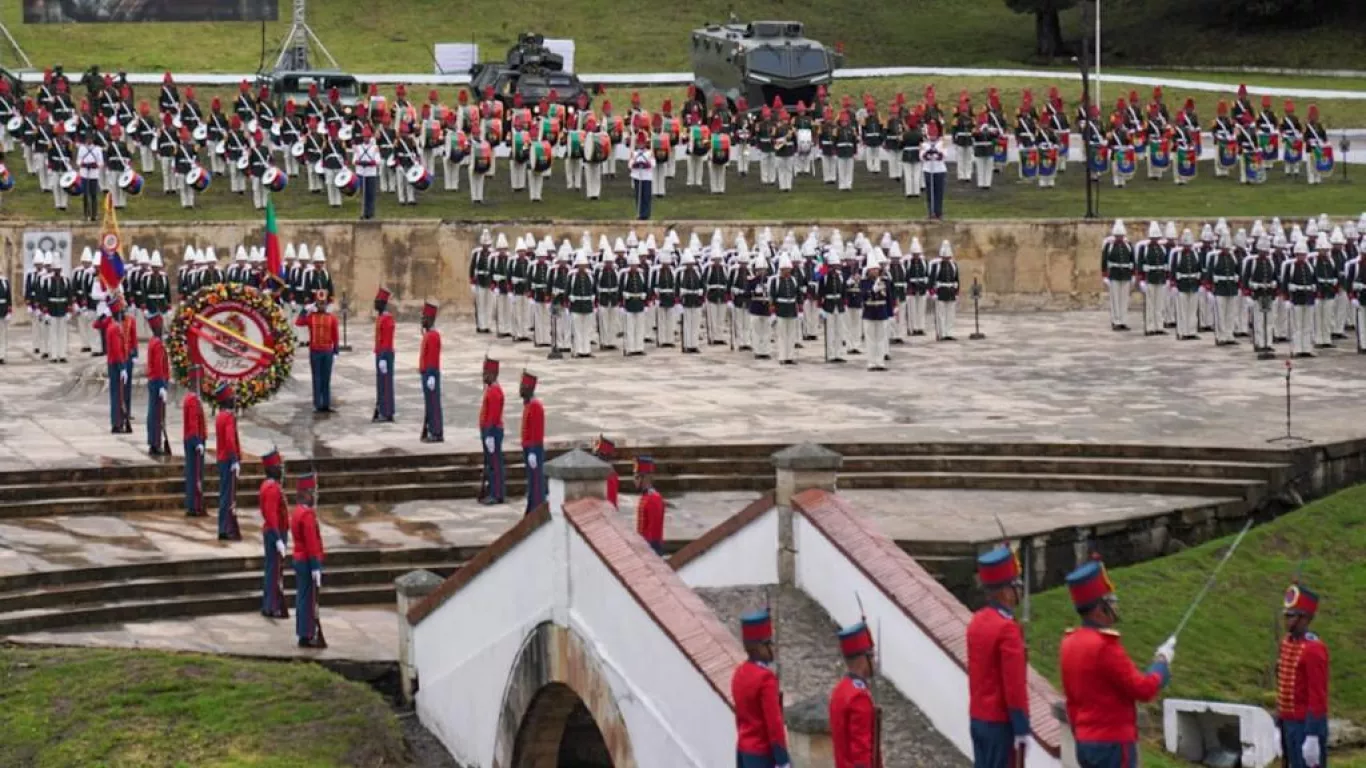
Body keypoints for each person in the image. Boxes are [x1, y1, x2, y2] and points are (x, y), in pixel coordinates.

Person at [1060, 556, 1173, 768]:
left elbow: (1071, 700)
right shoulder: (1105, 646)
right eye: (1110, 602)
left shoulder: (1069, 642)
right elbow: (1143, 689)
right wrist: (1161, 665)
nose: (1115, 606)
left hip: (1085, 743)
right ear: (1098, 610)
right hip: (1112, 745)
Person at [967, 545, 1030, 768]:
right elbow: (1014, 686)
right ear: (1005, 591)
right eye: (1016, 586)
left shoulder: (977, 621)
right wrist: (1022, 727)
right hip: (1001, 724)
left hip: (978, 718)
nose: (1019, 592)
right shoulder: (1007, 629)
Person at [1278, 582, 1330, 768]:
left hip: (1304, 725)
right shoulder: (1287, 643)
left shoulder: (1314, 649)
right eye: (1286, 615)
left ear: (1304, 618)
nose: (1286, 620)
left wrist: (1313, 734)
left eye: (1291, 616)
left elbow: (1317, 696)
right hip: (1288, 723)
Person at [732, 608, 792, 768]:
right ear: (757, 647)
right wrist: (783, 760)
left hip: (744, 751)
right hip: (763, 756)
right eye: (767, 643)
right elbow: (774, 724)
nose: (771, 648)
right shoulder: (766, 678)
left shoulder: (739, 673)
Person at [830, 620, 880, 768]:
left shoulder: (840, 689)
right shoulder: (860, 697)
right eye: (871, 655)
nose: (874, 660)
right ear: (863, 658)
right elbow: (861, 752)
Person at [290, 473, 327, 649]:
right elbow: (311, 542)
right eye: (312, 491)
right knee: (307, 599)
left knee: (303, 597)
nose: (314, 495)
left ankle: (304, 632)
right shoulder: (307, 515)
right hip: (307, 560)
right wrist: (316, 566)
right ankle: (306, 633)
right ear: (306, 493)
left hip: (300, 558)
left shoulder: (298, 511)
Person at [295, 290, 339, 413]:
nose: (322, 305)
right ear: (316, 304)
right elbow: (298, 322)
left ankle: (326, 403)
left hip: (327, 352)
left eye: (323, 303)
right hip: (315, 352)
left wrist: (336, 349)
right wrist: (304, 310)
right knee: (317, 378)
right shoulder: (311, 317)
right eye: (319, 303)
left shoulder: (332, 318)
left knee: (326, 378)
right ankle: (317, 404)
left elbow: (335, 335)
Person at [258, 449, 289, 619]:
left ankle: (271, 604)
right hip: (275, 532)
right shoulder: (271, 489)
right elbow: (271, 515)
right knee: (274, 571)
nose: (281, 469)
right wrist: (278, 538)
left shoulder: (272, 486)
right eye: (278, 466)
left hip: (275, 531)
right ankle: (271, 606)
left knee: (274, 570)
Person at [95, 299, 130, 432]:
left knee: (116, 394)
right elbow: (116, 349)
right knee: (117, 395)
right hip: (116, 364)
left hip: (113, 363)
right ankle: (117, 423)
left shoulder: (111, 324)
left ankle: (118, 421)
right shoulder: (115, 328)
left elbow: (97, 324)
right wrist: (122, 368)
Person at [213, 384, 243, 541]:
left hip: (222, 459)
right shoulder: (229, 418)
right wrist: (235, 460)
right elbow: (231, 440)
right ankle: (225, 528)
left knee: (225, 495)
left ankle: (223, 527)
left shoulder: (220, 416)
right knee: (228, 496)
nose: (234, 400)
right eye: (231, 398)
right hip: (228, 460)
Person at [861, 250, 893, 370]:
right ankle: (871, 362)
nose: (875, 271)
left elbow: (889, 297)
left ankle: (880, 361)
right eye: (872, 269)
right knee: (870, 339)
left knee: (881, 338)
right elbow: (863, 297)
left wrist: (890, 312)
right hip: (869, 312)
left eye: (876, 269)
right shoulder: (864, 283)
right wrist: (871, 291)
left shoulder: (885, 282)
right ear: (868, 271)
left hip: (881, 312)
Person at [478, 356, 505, 503]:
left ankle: (497, 494)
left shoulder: (494, 392)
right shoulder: (491, 389)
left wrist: (488, 435)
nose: (483, 376)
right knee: (492, 463)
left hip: (492, 431)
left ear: (493, 374)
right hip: (489, 431)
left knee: (495, 464)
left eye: (486, 373)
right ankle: (493, 492)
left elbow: (493, 416)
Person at [182, 365, 207, 516]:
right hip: (194, 440)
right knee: (194, 475)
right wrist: (197, 441)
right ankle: (193, 505)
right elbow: (192, 424)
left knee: (196, 474)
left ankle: (195, 504)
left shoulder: (193, 398)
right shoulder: (192, 400)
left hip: (195, 439)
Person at [520, 370, 545, 515]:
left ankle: (537, 508)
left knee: (536, 481)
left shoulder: (535, 406)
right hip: (529, 447)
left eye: (523, 386)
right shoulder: (529, 404)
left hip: (533, 448)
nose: (520, 389)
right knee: (532, 481)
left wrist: (533, 451)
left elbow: (536, 430)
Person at [1102, 220, 1135, 331]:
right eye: (1118, 236)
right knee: (1115, 299)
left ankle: (1123, 320)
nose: (1119, 238)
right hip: (1114, 274)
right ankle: (1116, 321)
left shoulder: (1128, 245)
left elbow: (1132, 260)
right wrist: (1105, 275)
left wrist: (1133, 274)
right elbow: (1104, 261)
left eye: (1121, 236)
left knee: (1124, 299)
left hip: (1125, 274)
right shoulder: (1109, 245)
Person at [145, 313, 169, 455]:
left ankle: (154, 441)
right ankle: (155, 443)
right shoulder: (158, 344)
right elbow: (159, 366)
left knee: (154, 413)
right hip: (158, 381)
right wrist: (162, 385)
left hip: (154, 380)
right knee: (157, 414)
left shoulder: (153, 341)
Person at [419, 301, 443, 442]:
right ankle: (431, 429)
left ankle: (436, 431)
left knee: (433, 404)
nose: (422, 320)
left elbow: (433, 357)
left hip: (430, 373)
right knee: (430, 403)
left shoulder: (433, 336)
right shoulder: (429, 335)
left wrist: (431, 375)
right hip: (426, 373)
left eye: (425, 317)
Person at [928, 240, 961, 341]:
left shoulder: (954, 265)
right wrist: (932, 293)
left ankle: (949, 333)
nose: (946, 259)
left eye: (948, 257)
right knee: (940, 315)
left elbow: (957, 280)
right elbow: (931, 281)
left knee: (950, 314)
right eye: (945, 258)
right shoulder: (936, 266)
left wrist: (957, 292)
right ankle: (941, 333)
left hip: (951, 291)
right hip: (940, 292)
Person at [633, 455, 665, 554]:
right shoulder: (646, 496)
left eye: (637, 477)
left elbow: (653, 532)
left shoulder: (653, 499)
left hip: (651, 549)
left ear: (646, 478)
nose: (634, 481)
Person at [373, 287, 395, 422]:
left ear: (382, 303)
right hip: (380, 353)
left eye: (377, 301)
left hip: (385, 354)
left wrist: (382, 358)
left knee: (386, 384)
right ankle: (382, 409)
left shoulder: (387, 319)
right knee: (381, 383)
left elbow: (386, 340)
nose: (375, 304)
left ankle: (387, 411)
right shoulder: (381, 317)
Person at [921, 122, 948, 220]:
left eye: (934, 134)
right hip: (928, 170)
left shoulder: (942, 143)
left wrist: (936, 153)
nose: (932, 137)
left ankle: (939, 212)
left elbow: (944, 155)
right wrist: (928, 154)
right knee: (930, 193)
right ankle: (930, 212)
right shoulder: (924, 144)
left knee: (939, 193)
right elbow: (922, 156)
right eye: (931, 135)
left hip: (939, 170)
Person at [352, 125, 380, 220]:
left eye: (368, 136)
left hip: (371, 173)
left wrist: (370, 163)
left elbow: (377, 161)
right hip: (361, 172)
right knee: (363, 194)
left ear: (370, 137)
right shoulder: (358, 148)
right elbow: (354, 160)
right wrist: (359, 162)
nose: (366, 138)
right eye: (364, 136)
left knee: (370, 194)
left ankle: (370, 213)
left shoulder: (375, 147)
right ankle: (363, 212)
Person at [76, 131, 103, 221]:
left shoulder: (97, 149)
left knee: (94, 194)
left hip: (94, 174)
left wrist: (95, 165)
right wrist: (83, 164)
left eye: (90, 139)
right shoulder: (82, 148)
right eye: (87, 139)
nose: (89, 140)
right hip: (84, 173)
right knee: (85, 195)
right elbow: (78, 161)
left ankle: (94, 214)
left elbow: (101, 162)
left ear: (93, 139)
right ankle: (86, 214)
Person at [630, 131, 655, 220]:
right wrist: (635, 164)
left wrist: (647, 164)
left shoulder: (649, 153)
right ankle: (639, 213)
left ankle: (646, 214)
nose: (641, 145)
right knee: (638, 195)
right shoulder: (635, 153)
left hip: (647, 177)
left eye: (642, 143)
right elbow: (630, 164)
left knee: (646, 196)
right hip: (637, 176)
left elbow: (653, 163)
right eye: (639, 143)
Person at [0, 266, 9, 363]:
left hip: (2, 310)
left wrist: (9, 311)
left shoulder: (4, 282)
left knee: (2, 334)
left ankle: (1, 356)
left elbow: (8, 297)